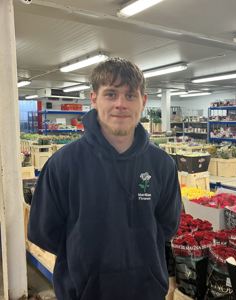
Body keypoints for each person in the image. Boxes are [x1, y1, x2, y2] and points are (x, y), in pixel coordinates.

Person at [28, 57, 181, 300]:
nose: (121, 104)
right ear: (94, 99)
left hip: (146, 292)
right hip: (83, 293)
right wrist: (84, 261)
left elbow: (167, 226)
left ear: (143, 101)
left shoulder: (162, 165)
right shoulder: (63, 164)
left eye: (130, 95)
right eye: (111, 94)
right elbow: (42, 232)